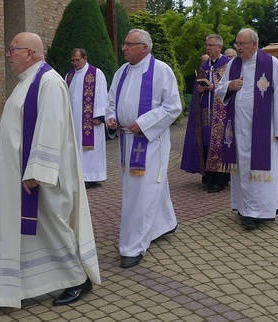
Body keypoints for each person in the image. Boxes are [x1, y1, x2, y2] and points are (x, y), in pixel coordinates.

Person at [0, 32, 100, 309]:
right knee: (28, 232)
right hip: (18, 176)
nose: (8, 55)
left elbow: (51, 127)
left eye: (13, 50)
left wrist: (36, 170)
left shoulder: (49, 81)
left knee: (52, 226)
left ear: (30, 53)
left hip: (40, 177)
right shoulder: (27, 81)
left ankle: (78, 280)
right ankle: (14, 286)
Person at [106, 29, 181, 268]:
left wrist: (144, 123)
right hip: (126, 140)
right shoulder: (121, 72)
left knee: (142, 192)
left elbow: (173, 107)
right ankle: (164, 224)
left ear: (144, 48)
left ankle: (133, 246)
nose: (124, 48)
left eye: (129, 44)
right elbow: (110, 102)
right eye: (124, 43)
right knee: (138, 189)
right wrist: (111, 117)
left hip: (150, 142)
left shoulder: (161, 71)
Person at [215, 28, 278, 230]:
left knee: (263, 170)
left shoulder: (270, 64)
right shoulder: (234, 64)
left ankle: (260, 211)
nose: (238, 48)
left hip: (264, 130)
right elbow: (219, 90)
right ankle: (245, 208)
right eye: (237, 44)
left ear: (254, 44)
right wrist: (230, 86)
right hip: (239, 129)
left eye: (242, 44)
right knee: (243, 169)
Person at [181, 34, 231, 193]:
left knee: (220, 145)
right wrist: (200, 89)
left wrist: (214, 87)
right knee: (206, 142)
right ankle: (208, 176)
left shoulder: (228, 65)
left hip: (221, 113)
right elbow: (197, 88)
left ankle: (220, 179)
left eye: (211, 45)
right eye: (206, 45)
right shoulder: (204, 66)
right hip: (204, 112)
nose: (208, 48)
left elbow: (232, 87)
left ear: (219, 47)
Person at [65, 48, 108, 188]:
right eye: (73, 60)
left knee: (89, 149)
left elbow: (101, 94)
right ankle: (79, 176)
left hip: (90, 120)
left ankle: (92, 176)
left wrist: (99, 115)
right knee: (76, 147)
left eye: (77, 60)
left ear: (85, 58)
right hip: (74, 119)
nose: (75, 63)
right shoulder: (69, 76)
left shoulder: (96, 74)